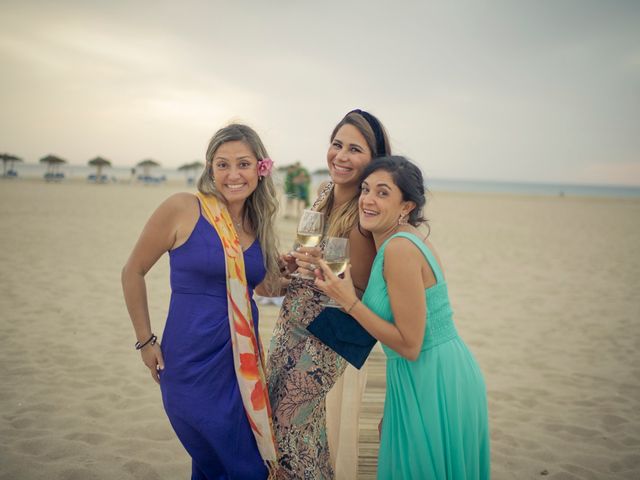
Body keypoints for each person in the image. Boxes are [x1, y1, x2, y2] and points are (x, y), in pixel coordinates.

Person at [121, 123, 282, 479]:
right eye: (222, 164)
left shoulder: (259, 225)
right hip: (190, 366)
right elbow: (132, 271)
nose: (232, 174)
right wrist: (146, 341)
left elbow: (262, 288)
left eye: (242, 163)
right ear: (210, 169)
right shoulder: (183, 208)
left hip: (241, 370)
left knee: (213, 469)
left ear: (260, 167)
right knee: (241, 468)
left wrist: (303, 272)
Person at [314, 156, 490, 479]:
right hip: (416, 376)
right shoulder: (396, 243)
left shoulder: (399, 250)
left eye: (383, 193)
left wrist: (350, 301)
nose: (367, 199)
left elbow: (410, 345)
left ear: (406, 206)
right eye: (366, 190)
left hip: (434, 378)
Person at [267, 109, 391, 479]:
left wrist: (326, 268)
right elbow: (310, 262)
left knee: (287, 421)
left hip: (332, 333)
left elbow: (366, 286)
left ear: (374, 161)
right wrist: (292, 265)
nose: (341, 155)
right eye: (337, 144)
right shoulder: (323, 193)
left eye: (355, 149)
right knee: (299, 427)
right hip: (294, 319)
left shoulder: (366, 209)